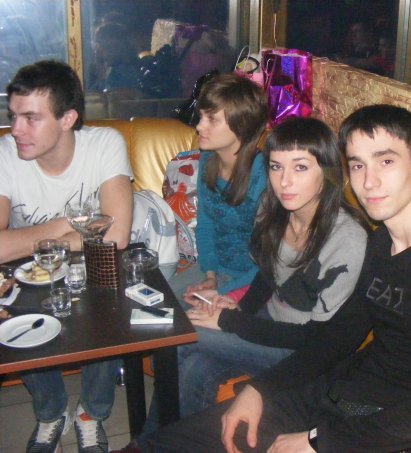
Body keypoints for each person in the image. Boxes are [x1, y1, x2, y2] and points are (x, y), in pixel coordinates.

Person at [141, 104, 411, 452]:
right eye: (358, 165)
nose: (369, 181)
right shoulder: (381, 244)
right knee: (171, 443)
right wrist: (259, 389)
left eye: (386, 161)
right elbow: (335, 340)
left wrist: (318, 441)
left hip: (376, 425)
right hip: (333, 393)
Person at [138, 117, 368, 443]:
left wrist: (231, 322)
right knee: (193, 368)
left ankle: (146, 445)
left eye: (300, 168)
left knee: (181, 333)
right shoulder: (274, 210)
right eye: (276, 167)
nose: (284, 181)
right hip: (268, 322)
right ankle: (164, 443)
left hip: (301, 351)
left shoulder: (346, 239)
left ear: (328, 172)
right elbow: (267, 275)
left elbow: (317, 340)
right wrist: (239, 307)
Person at [0, 60, 133, 452]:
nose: (16, 129)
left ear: (67, 119)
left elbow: (116, 237)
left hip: (92, 266)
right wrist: (62, 226)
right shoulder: (5, 153)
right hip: (28, 273)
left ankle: (92, 412)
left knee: (111, 298)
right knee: (11, 312)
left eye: (30, 118)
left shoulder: (104, 144)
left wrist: (31, 240)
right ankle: (50, 411)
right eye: (13, 116)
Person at [166, 72, 269, 310]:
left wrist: (220, 292)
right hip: (213, 270)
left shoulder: (264, 175)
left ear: (242, 124)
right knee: (155, 306)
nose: (199, 126)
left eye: (212, 119)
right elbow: (206, 225)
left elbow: (270, 262)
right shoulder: (207, 159)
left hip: (254, 283)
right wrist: (210, 275)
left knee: (188, 323)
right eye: (202, 116)